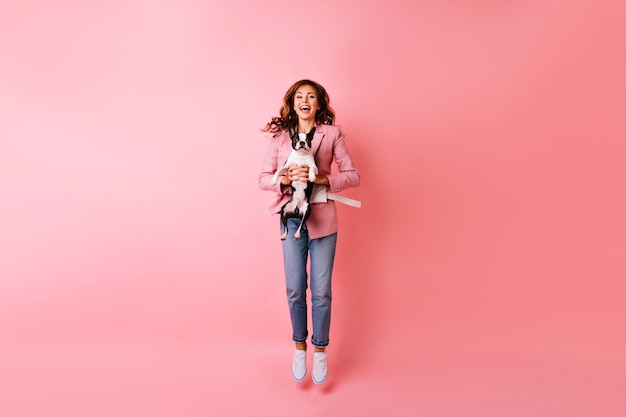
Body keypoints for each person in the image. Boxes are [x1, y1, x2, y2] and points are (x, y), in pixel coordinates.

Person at [258, 79, 360, 384]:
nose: (305, 100)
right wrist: (285, 178)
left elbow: (353, 176)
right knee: (294, 288)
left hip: (324, 222)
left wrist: (321, 180)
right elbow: (262, 177)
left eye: (311, 96)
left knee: (321, 292)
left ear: (318, 104)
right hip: (292, 221)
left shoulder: (332, 134)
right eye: (300, 96)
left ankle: (320, 350)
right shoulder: (279, 138)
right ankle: (299, 345)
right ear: (292, 103)